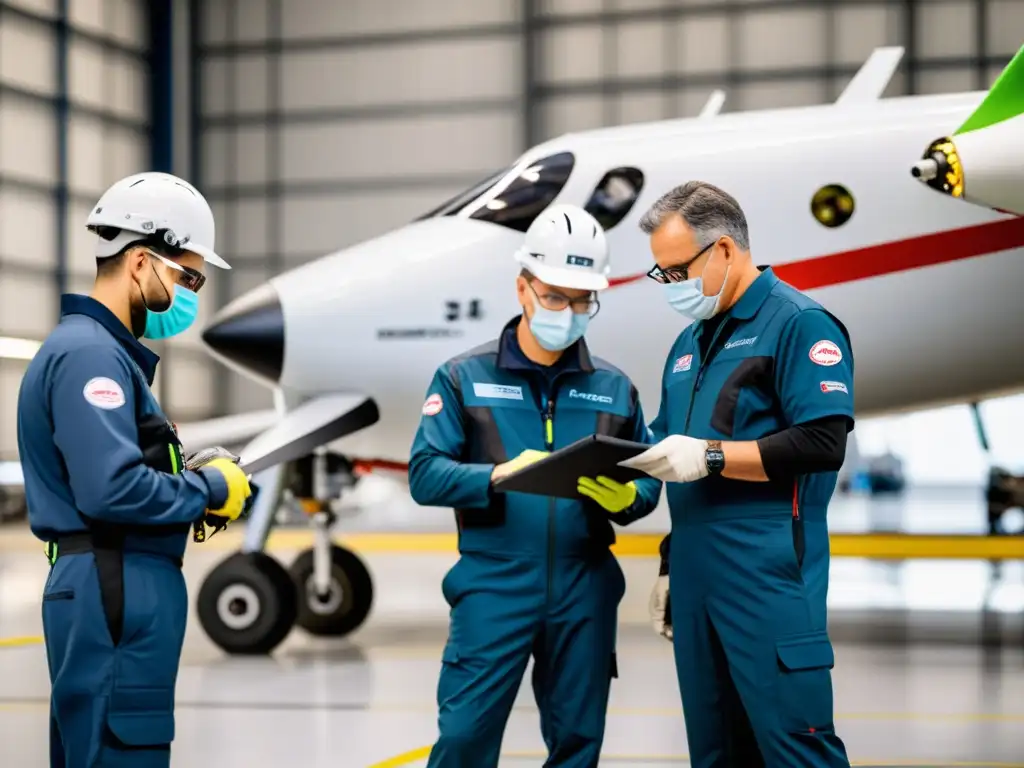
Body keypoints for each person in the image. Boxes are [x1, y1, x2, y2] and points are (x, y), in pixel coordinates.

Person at [408, 203, 663, 768]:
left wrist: (632, 499)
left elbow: (647, 483)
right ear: (523, 288)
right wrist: (498, 475)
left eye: (581, 300)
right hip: (494, 584)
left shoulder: (615, 388)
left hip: (585, 586)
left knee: (578, 744)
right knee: (465, 738)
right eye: (554, 296)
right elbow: (424, 474)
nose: (568, 311)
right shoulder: (462, 379)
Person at [16, 171, 254, 767]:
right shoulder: (91, 356)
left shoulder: (98, 353)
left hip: (112, 579)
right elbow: (110, 488)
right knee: (121, 749)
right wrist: (207, 490)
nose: (192, 293)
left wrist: (185, 477)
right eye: (190, 276)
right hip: (112, 582)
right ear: (143, 262)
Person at [620, 181, 854, 768]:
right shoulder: (687, 345)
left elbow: (822, 441)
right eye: (661, 275)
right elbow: (662, 448)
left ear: (724, 250)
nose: (671, 286)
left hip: (769, 577)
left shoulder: (800, 324)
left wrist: (713, 455)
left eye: (676, 271)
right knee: (716, 752)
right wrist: (671, 560)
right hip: (698, 582)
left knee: (798, 750)